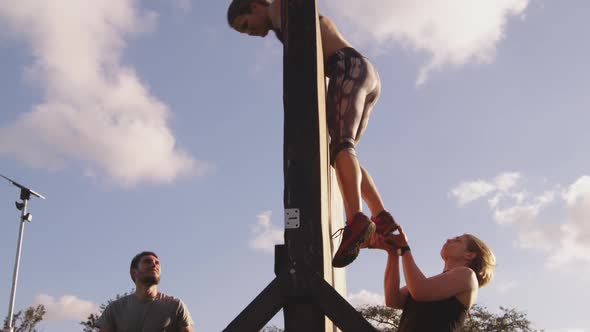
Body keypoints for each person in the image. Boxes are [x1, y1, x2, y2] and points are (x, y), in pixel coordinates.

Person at [227, 0, 398, 268]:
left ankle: (356, 219)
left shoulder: (284, 11)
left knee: (341, 147)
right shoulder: (286, 19)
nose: (253, 34)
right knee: (343, 152)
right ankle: (380, 215)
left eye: (247, 26)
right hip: (364, 72)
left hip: (347, 67)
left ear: (256, 5)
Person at [371, 226, 496, 331]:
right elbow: (393, 299)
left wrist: (404, 248)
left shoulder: (468, 276)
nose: (448, 239)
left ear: (470, 255)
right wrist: (393, 254)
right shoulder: (429, 283)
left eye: (457, 240)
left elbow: (419, 290)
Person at [97, 251, 194, 332]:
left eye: (157, 263)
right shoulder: (114, 309)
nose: (154, 264)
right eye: (148, 262)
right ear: (134, 272)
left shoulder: (176, 306)